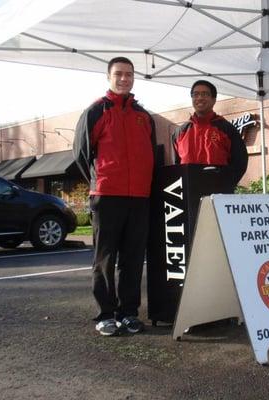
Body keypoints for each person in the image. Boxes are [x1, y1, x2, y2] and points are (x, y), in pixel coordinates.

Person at [73, 56, 156, 336]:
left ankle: (128, 312)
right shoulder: (96, 111)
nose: (124, 78)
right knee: (105, 258)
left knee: (133, 258)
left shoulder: (144, 116)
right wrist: (101, 181)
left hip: (139, 197)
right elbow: (82, 154)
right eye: (119, 74)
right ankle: (106, 314)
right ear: (109, 77)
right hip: (108, 196)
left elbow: (151, 155)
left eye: (129, 74)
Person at [171, 80, 248, 191]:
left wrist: (226, 185)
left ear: (214, 100)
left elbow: (240, 162)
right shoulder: (179, 133)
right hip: (189, 193)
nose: (200, 98)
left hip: (219, 194)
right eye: (195, 94)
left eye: (205, 94)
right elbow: (176, 166)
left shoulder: (227, 129)